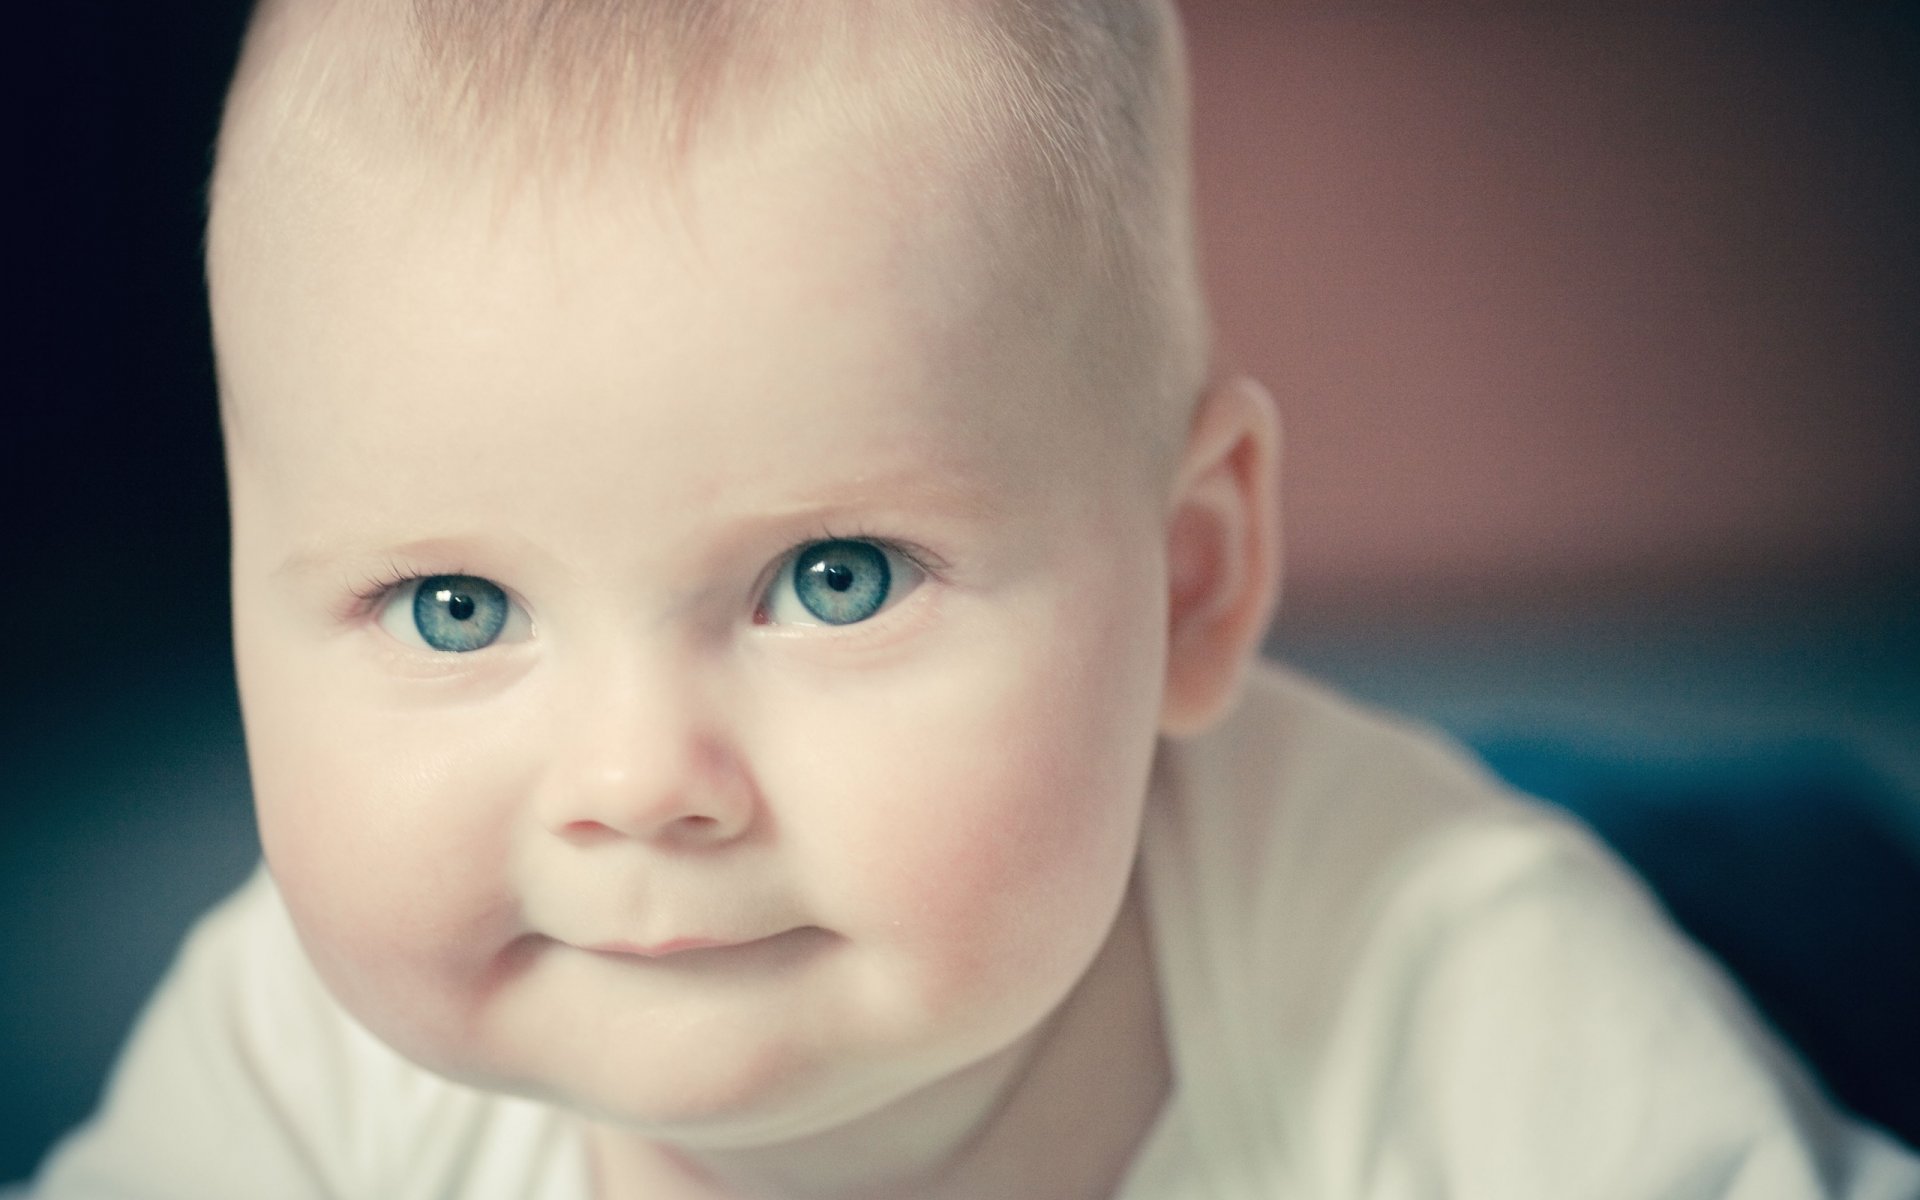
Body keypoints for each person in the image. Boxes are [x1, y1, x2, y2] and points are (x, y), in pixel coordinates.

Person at [30, 1, 1920, 1196]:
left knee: (1806, 895)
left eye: (831, 580)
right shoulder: (291, 1059)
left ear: (1191, 579)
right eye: (454, 608)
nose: (637, 782)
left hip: (1545, 847)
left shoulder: (1453, 995)